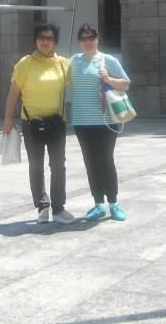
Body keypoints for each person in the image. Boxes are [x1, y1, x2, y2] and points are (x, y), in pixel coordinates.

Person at [3, 22, 75, 224]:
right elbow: (13, 94)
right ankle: (42, 206)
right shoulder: (25, 64)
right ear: (35, 40)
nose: (45, 41)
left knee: (58, 165)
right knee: (36, 166)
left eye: (50, 38)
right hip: (31, 123)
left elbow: (79, 82)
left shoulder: (63, 63)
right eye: (42, 37)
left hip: (56, 123)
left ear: (55, 41)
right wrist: (8, 119)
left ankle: (59, 208)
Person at [68, 23, 132, 222]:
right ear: (79, 41)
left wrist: (109, 79)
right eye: (84, 38)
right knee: (90, 162)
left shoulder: (107, 60)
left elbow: (126, 83)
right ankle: (98, 204)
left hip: (105, 121)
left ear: (97, 39)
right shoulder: (73, 62)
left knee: (105, 161)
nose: (88, 42)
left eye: (91, 38)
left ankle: (113, 203)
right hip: (81, 121)